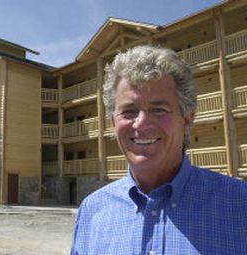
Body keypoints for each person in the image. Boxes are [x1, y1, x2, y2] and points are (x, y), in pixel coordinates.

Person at [71, 45, 247, 254]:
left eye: (158, 110)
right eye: (129, 111)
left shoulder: (240, 205)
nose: (141, 124)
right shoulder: (92, 211)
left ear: (187, 119)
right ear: (112, 123)